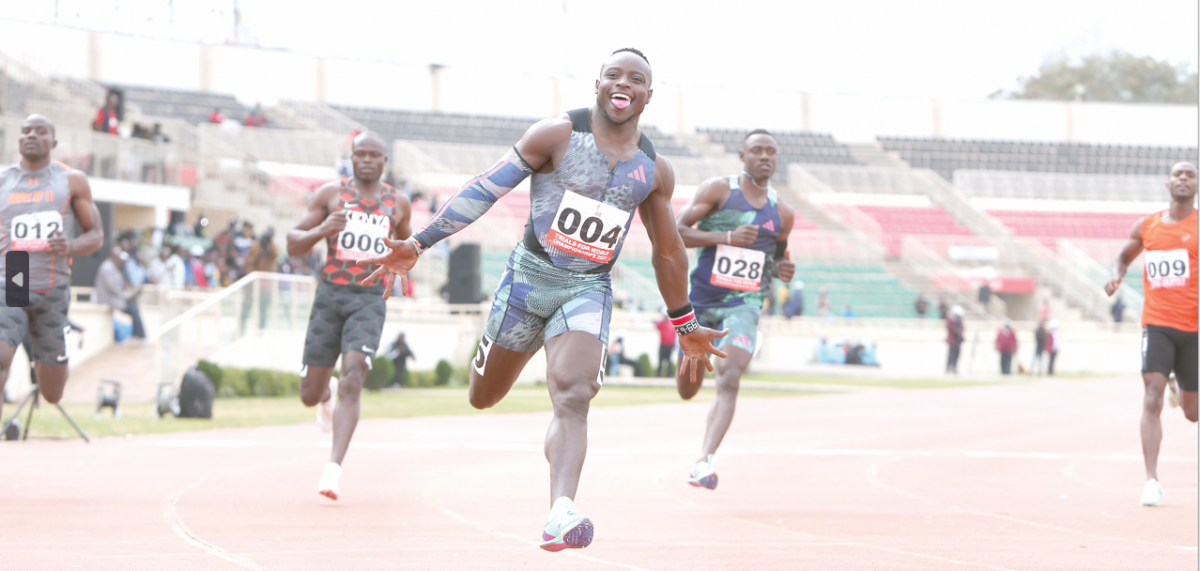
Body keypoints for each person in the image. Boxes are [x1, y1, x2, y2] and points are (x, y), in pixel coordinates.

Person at [355, 49, 727, 552]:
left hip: (588, 287)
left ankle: (559, 512)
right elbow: (487, 187)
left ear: (648, 95)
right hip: (527, 281)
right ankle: (505, 385)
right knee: (483, 396)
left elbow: (667, 250)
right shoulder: (554, 135)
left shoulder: (653, 170)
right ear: (598, 84)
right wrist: (420, 242)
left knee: (574, 395)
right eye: (614, 74)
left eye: (635, 78)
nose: (623, 83)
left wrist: (684, 324)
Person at [286, 132, 412, 502]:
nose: (368, 160)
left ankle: (333, 469)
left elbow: (409, 248)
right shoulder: (330, 194)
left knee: (353, 377)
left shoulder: (397, 203)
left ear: (384, 161)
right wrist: (324, 228)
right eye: (361, 154)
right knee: (309, 395)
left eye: (375, 154)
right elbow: (293, 242)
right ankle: (323, 398)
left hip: (369, 298)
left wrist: (401, 263)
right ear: (352, 158)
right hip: (330, 295)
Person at [672, 129, 796, 490]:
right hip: (700, 300)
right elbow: (677, 231)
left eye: (771, 151)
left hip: (745, 302)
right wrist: (724, 237)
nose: (764, 156)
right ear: (742, 156)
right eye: (756, 150)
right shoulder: (718, 190)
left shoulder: (782, 214)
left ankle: (704, 462)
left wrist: (782, 269)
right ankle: (690, 360)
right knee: (687, 389)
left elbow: (775, 259)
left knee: (729, 377)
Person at [1104, 161, 1198, 507]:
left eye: (1190, 174)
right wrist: (1116, 274)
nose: (1183, 178)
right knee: (1150, 398)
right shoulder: (1148, 226)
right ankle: (1151, 481)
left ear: (1197, 185)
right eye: (1178, 174)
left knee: (1193, 413)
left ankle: (1178, 387)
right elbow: (1123, 257)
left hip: (1194, 329)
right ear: (1168, 183)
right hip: (1156, 323)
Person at [0, 115, 103, 423]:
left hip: (53, 281)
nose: (32, 135)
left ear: (53, 142)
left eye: (41, 132)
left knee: (52, 391)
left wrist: (69, 246)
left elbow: (96, 235)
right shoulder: (4, 180)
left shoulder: (71, 180)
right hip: (15, 273)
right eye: (26, 131)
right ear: (19, 139)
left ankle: (49, 359)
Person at [93, 248, 145, 341]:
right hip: (109, 299)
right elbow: (113, 288)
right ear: (112, 256)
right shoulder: (107, 267)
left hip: (115, 298)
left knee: (134, 308)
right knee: (134, 311)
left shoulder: (114, 266)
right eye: (117, 256)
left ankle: (137, 336)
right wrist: (126, 295)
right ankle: (140, 336)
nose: (119, 259)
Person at [654, 309, 676, 377]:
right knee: (660, 361)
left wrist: (674, 345)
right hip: (662, 345)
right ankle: (658, 376)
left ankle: (668, 376)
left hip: (670, 345)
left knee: (669, 362)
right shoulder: (661, 323)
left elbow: (674, 335)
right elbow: (656, 326)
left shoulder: (671, 323)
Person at [946, 305, 965, 374]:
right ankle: (948, 368)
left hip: (958, 340)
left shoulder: (959, 321)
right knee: (951, 355)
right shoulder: (951, 320)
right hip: (953, 340)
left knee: (957, 355)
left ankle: (954, 368)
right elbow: (952, 329)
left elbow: (962, 329)